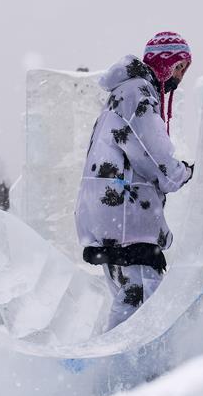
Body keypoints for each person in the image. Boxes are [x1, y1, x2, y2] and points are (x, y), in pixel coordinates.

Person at [75, 31, 194, 330]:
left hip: (110, 218)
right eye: (179, 67)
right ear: (167, 64)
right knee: (141, 314)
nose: (181, 76)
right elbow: (153, 154)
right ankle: (123, 361)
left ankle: (114, 358)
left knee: (130, 306)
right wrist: (184, 173)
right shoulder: (137, 93)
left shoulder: (124, 92)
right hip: (127, 220)